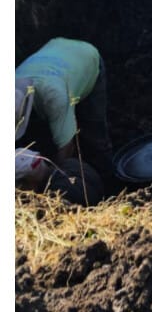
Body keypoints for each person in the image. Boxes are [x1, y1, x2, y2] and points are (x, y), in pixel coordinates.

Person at [16, 39, 113, 200]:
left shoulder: (54, 97)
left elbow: (67, 148)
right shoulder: (14, 86)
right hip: (55, 48)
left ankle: (110, 183)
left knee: (94, 136)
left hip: (86, 58)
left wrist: (54, 185)